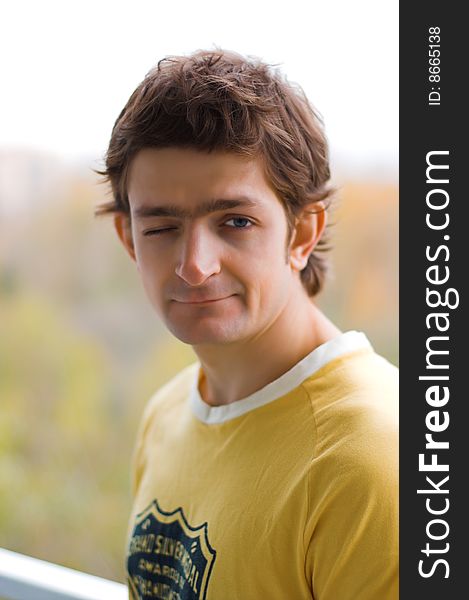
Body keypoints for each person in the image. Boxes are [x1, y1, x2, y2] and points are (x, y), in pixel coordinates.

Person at [96, 49, 398, 600]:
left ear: (302, 233)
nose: (194, 264)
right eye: (161, 227)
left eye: (235, 221)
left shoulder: (375, 456)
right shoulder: (168, 413)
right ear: (127, 239)